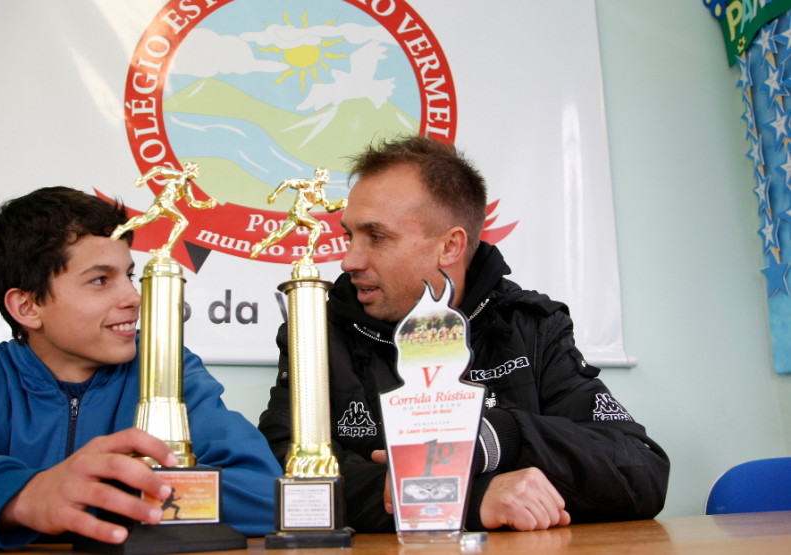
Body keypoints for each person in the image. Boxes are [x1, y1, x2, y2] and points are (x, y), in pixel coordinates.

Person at [258, 136, 669, 532]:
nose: (349, 260)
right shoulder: (317, 331)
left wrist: (498, 437)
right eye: (350, 235)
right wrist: (469, 500)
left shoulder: (530, 326)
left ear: (450, 247)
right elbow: (277, 475)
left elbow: (640, 471)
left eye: (377, 237)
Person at [0, 187, 280, 551]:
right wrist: (24, 497)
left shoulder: (167, 366)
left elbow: (267, 496)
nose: (134, 298)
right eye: (101, 280)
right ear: (28, 307)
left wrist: (107, 488)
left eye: (130, 275)